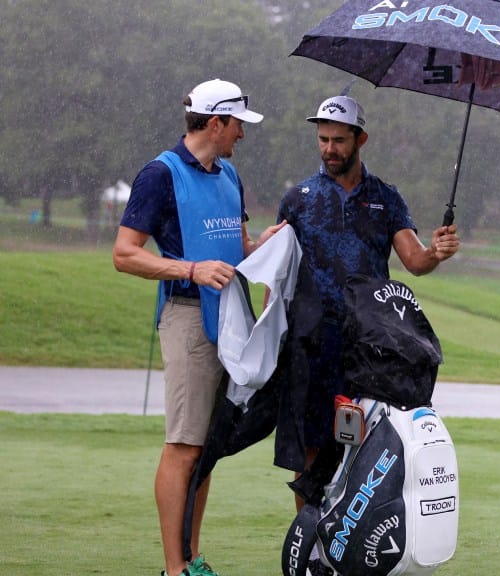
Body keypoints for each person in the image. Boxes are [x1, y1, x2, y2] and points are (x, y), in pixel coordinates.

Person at [113, 78, 286, 576]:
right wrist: (190, 268)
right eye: (237, 125)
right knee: (185, 445)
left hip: (232, 318)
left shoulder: (229, 174)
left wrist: (265, 244)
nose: (242, 136)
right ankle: (175, 569)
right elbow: (124, 254)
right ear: (215, 123)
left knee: (206, 449)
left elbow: (238, 247)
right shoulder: (159, 174)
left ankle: (192, 557)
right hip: (188, 318)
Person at [277, 90, 461, 507]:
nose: (329, 149)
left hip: (369, 348)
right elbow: (278, 273)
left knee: (361, 447)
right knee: (309, 451)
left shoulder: (386, 199)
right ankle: (312, 551)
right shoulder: (298, 200)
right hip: (311, 342)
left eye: (338, 140)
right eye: (323, 139)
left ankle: (348, 547)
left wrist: (437, 251)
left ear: (361, 139)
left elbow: (415, 260)